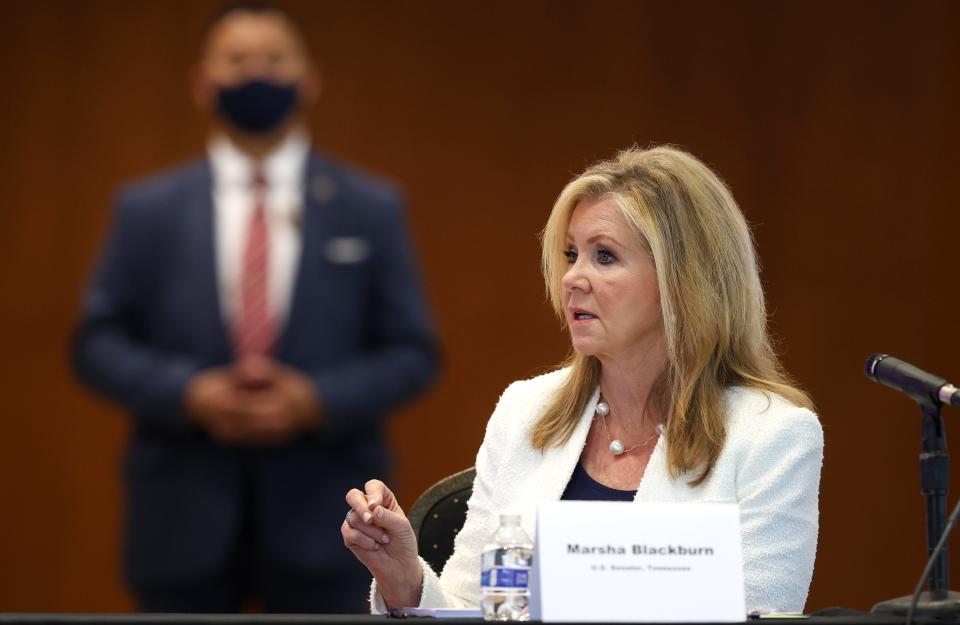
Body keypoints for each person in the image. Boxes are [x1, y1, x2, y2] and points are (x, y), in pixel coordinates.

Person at [341, 146, 823, 614]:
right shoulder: (524, 411)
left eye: (605, 256)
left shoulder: (772, 436)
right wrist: (404, 577)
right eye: (572, 253)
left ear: (683, 281)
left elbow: (761, 614)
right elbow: (479, 609)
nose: (573, 277)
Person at [72, 2, 438, 613]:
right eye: (237, 61)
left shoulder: (369, 207)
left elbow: (412, 351)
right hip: (179, 513)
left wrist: (312, 398)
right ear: (201, 83)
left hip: (330, 516)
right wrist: (191, 391)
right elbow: (97, 340)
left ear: (308, 79)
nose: (256, 74)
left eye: (273, 60)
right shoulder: (147, 210)